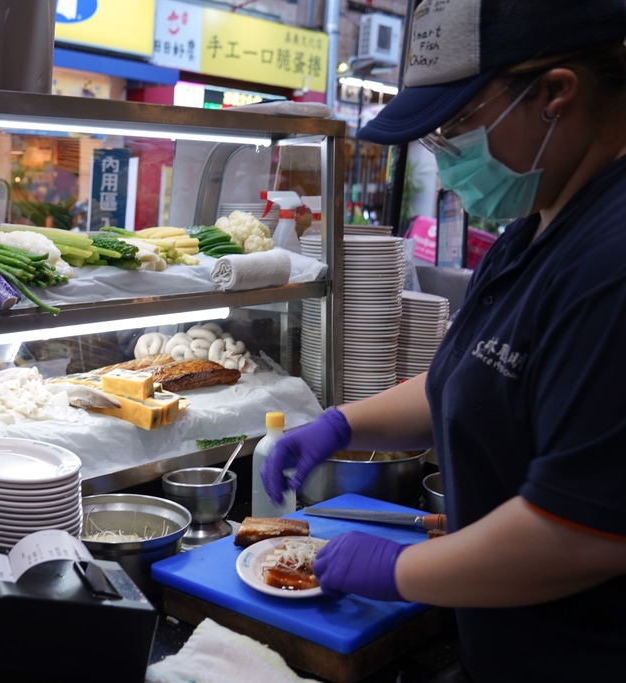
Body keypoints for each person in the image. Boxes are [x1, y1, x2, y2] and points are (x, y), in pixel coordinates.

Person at [259, 1, 626, 680]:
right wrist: (341, 424)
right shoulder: (535, 227)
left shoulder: (611, 263)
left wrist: (402, 567)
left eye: (455, 125)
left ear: (554, 94)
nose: (443, 150)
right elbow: (467, 379)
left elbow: (584, 533)